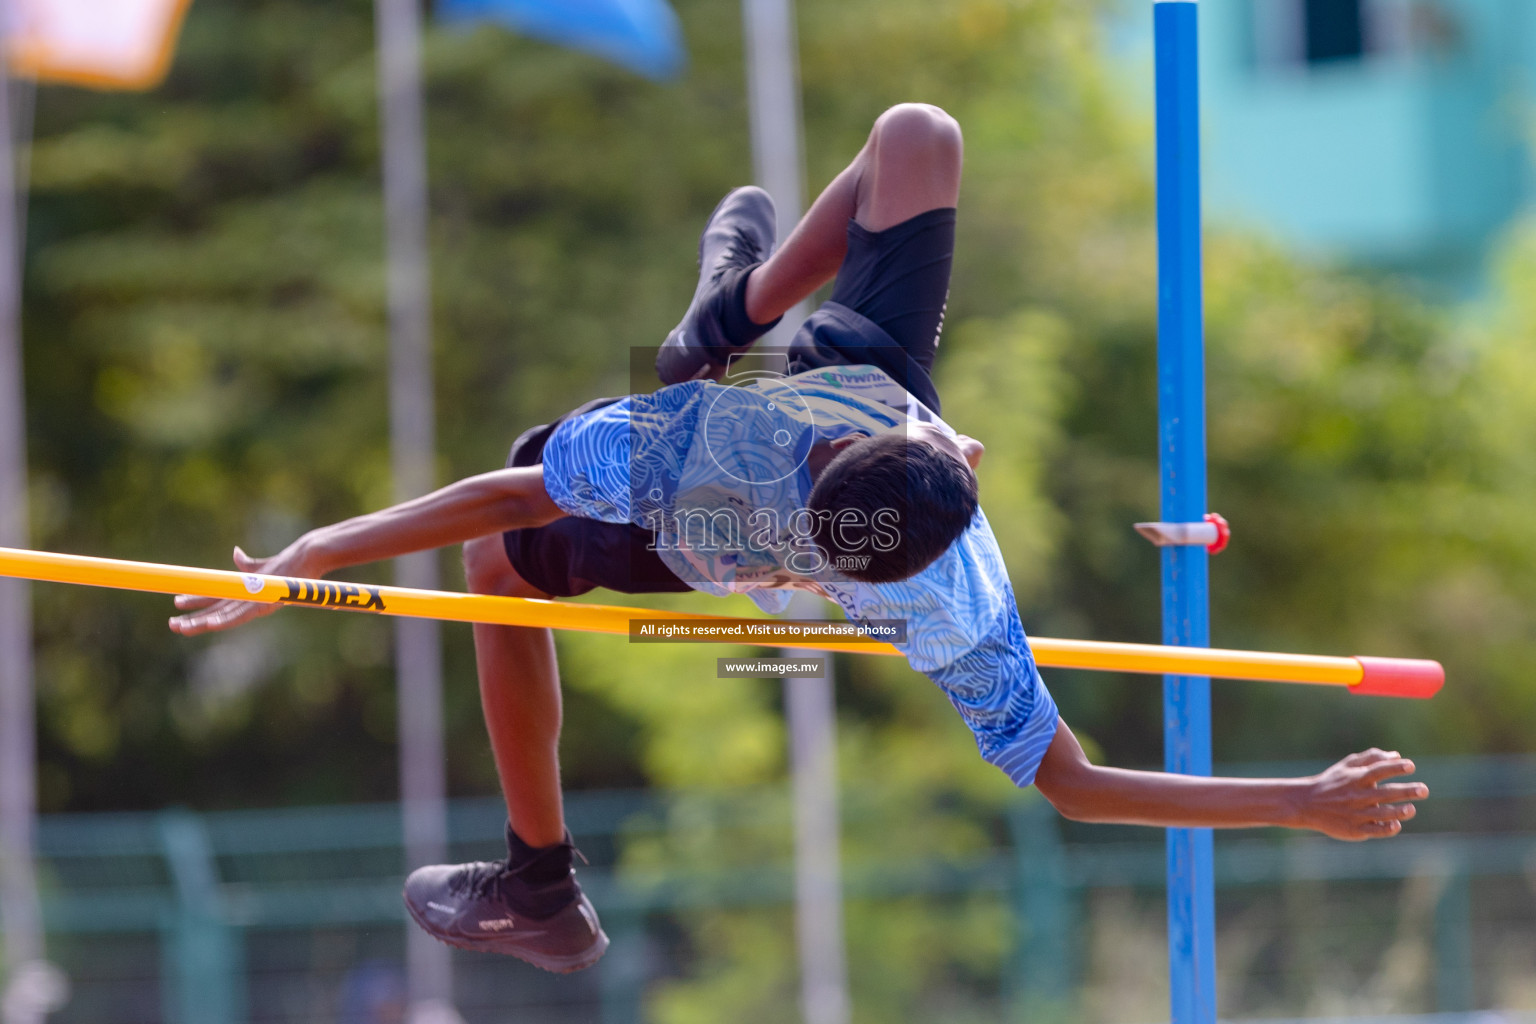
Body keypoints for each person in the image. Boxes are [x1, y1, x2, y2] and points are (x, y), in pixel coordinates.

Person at [168, 104, 1430, 975]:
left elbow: (1075, 784)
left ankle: (537, 884)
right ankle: (734, 306)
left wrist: (1300, 804)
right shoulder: (808, 440)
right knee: (917, 138)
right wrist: (316, 553)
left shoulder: (913, 578)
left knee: (501, 548)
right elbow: (1077, 783)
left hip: (727, 526)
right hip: (857, 384)